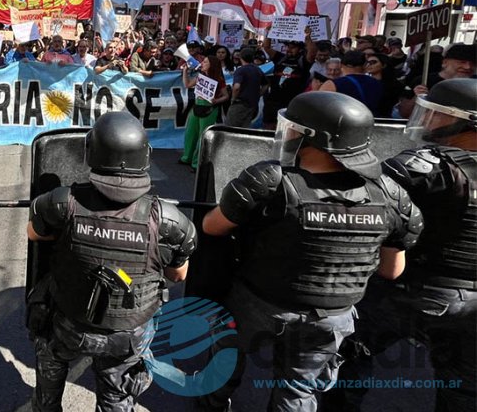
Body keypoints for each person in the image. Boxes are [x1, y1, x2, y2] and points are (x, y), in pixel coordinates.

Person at [198, 91, 422, 411]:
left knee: (226, 358)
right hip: (333, 317)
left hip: (259, 302)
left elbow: (212, 226)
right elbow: (392, 270)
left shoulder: (272, 180)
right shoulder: (391, 195)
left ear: (311, 139)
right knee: (298, 391)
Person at [27, 111, 197, 411]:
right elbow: (178, 274)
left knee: (49, 373)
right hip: (127, 336)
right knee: (116, 400)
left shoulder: (62, 202)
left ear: (91, 153)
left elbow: (34, 232)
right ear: (145, 156)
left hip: (68, 324)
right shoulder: (170, 220)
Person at [324, 78, 476, 412]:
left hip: (413, 289)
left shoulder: (428, 166)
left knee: (346, 355)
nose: (429, 121)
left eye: (438, 115)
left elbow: (362, 201)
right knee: (464, 392)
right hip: (471, 304)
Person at [180, 55, 229, 170]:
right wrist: (185, 72)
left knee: (203, 136)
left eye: (205, 62)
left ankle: (197, 163)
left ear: (212, 65)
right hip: (197, 106)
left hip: (209, 110)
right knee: (190, 133)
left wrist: (216, 100)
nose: (202, 64)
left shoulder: (219, 80)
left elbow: (226, 96)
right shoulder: (199, 77)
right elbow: (187, 85)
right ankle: (187, 158)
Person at [319, 50, 384, 116]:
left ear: (341, 65)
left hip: (343, 123)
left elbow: (319, 108)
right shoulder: (378, 84)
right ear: (365, 65)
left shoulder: (332, 84)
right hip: (372, 122)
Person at [225, 47, 265, 128]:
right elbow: (266, 84)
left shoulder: (240, 70)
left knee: (230, 130)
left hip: (239, 104)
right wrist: (258, 94)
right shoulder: (257, 70)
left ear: (241, 57)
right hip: (252, 105)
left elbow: (236, 87)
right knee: (243, 130)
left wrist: (233, 98)